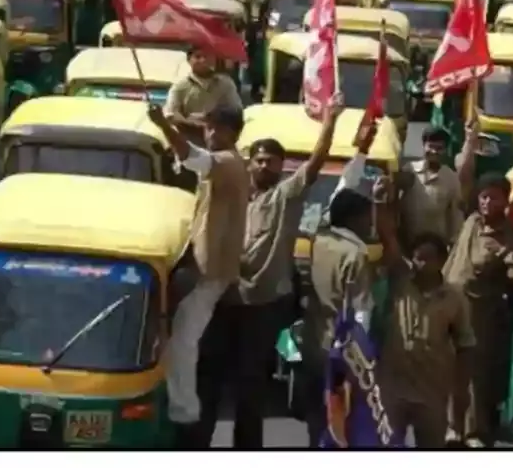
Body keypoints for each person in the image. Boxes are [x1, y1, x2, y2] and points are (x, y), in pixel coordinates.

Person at [194, 99, 342, 449]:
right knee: (208, 383)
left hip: (261, 306)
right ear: (249, 162)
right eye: (258, 159)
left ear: (281, 167)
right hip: (222, 300)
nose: (264, 165)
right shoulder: (231, 191)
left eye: (271, 161)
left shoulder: (284, 197)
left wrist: (330, 122)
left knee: (250, 388)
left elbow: (315, 164)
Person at [145, 103, 250, 447]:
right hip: (206, 265)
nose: (210, 133)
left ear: (233, 132)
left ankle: (184, 411)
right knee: (177, 333)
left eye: (216, 128)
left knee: (184, 340)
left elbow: (191, 156)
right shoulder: (225, 162)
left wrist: (163, 125)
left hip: (213, 268)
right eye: (207, 127)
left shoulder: (228, 162)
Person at [373, 177, 474, 450]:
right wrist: (380, 202)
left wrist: (460, 394)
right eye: (417, 257)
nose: (421, 264)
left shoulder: (453, 297)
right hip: (393, 388)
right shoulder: (401, 279)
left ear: (441, 261)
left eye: (428, 258)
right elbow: (387, 236)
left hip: (433, 391)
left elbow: (465, 345)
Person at [301, 122, 381, 446]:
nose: (369, 223)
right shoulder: (356, 255)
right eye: (366, 217)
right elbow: (362, 313)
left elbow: (340, 192)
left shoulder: (319, 237)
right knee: (341, 421)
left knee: (315, 415)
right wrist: (363, 361)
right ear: (354, 219)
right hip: (340, 353)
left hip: (312, 342)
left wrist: (361, 153)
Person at [441, 173, 513, 447]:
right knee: (448, 367)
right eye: (484, 196)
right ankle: (451, 426)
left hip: (478, 314)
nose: (487, 202)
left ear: (505, 201)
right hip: (447, 305)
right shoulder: (472, 222)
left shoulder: (507, 237)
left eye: (494, 198)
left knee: (475, 375)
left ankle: (473, 431)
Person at [398, 121, 477, 247]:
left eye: (439, 148)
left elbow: (455, 215)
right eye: (431, 147)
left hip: (436, 245)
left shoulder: (451, 178)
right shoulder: (409, 170)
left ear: (445, 150)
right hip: (407, 241)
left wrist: (455, 243)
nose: (434, 151)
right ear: (423, 146)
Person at [164, 47, 244, 137]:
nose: (203, 60)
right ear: (189, 60)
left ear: (214, 59)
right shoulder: (179, 86)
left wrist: (211, 117)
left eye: (207, 56)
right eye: (198, 57)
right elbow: (171, 114)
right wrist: (193, 124)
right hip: (189, 139)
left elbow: (236, 111)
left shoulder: (226, 83)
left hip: (220, 138)